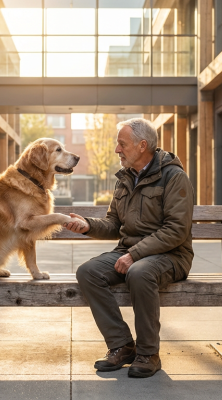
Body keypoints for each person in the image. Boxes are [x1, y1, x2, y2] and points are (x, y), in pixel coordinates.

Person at [64, 118, 194, 378]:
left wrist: (134, 254)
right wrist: (88, 226)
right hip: (130, 252)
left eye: (122, 144)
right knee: (88, 271)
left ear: (142, 145)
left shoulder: (174, 177)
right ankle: (122, 345)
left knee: (139, 272)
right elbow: (114, 224)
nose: (117, 150)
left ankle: (148, 353)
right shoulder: (124, 178)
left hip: (171, 255)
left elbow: (176, 230)